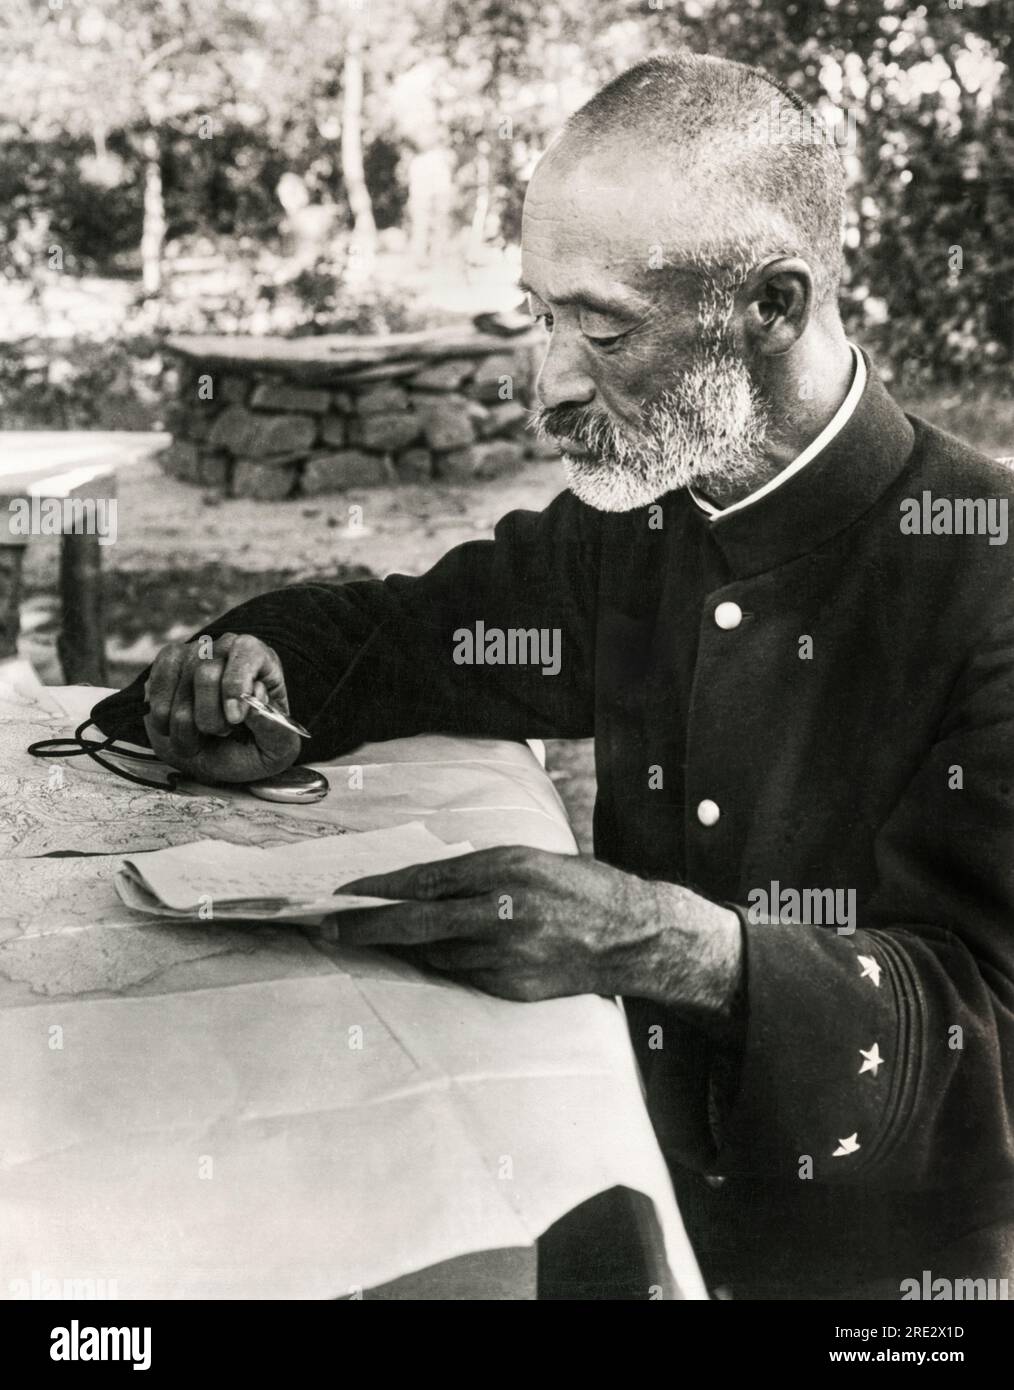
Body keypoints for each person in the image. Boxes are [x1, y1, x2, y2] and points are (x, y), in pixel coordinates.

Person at [94, 52, 1014, 1300]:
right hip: (611, 1175)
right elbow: (417, 635)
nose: (546, 386)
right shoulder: (644, 523)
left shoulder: (987, 574)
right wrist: (255, 670)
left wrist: (672, 945)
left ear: (775, 305)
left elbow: (989, 1039)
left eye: (603, 327)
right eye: (536, 314)